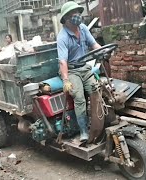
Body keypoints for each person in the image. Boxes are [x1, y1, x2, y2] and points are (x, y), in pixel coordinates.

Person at [57, 1, 102, 142]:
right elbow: (63, 61)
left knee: (96, 91)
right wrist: (65, 80)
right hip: (71, 71)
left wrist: (103, 51)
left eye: (77, 12)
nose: (76, 15)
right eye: (72, 14)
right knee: (80, 98)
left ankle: (98, 124)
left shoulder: (83, 28)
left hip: (84, 68)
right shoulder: (62, 37)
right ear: (66, 18)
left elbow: (94, 44)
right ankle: (83, 131)